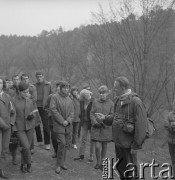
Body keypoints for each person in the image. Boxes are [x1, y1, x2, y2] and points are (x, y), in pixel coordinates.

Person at [97, 77, 147, 180]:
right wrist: (105, 118)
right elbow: (116, 118)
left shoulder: (136, 102)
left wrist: (135, 146)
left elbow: (141, 126)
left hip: (129, 146)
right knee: (121, 170)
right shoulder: (118, 100)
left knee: (131, 172)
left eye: (115, 87)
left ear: (123, 88)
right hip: (118, 143)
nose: (113, 89)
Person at [50, 81, 74, 174]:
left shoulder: (69, 99)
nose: (66, 90)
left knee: (66, 144)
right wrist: (62, 121)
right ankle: (58, 165)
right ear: (60, 88)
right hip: (59, 125)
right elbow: (53, 110)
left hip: (68, 125)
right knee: (62, 143)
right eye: (64, 88)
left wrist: (68, 120)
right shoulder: (54, 97)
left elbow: (72, 111)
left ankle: (63, 163)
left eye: (68, 88)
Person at [12, 82, 36, 173]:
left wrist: (32, 116)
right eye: (25, 92)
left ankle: (23, 164)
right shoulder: (13, 100)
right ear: (19, 91)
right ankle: (29, 164)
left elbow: (34, 111)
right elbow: (11, 115)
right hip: (19, 128)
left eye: (28, 92)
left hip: (30, 126)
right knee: (26, 146)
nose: (27, 94)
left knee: (26, 147)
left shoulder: (29, 100)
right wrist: (13, 128)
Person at [90, 85, 114, 170]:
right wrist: (95, 122)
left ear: (107, 93)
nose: (101, 94)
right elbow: (91, 114)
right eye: (100, 93)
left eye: (103, 93)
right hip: (96, 128)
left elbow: (112, 116)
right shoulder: (95, 102)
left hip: (106, 128)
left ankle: (102, 163)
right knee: (97, 146)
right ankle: (98, 162)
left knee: (104, 146)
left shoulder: (111, 103)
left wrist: (105, 118)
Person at [21, 74, 42, 153]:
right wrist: (28, 96)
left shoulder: (32, 87)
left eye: (27, 78)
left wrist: (27, 99)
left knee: (31, 128)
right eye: (24, 79)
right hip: (22, 109)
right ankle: (24, 146)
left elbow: (34, 99)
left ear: (29, 79)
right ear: (21, 80)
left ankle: (31, 147)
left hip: (32, 108)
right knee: (23, 128)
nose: (25, 80)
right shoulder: (20, 87)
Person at [0, 78, 16, 179]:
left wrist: (10, 123)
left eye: (1, 82)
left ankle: (1, 169)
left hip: (7, 128)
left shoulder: (7, 96)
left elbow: (13, 111)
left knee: (5, 149)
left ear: (3, 84)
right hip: (2, 126)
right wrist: (3, 124)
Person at [74, 89, 95, 162]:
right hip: (84, 122)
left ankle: (91, 156)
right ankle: (81, 155)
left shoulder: (94, 102)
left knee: (92, 139)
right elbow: (81, 110)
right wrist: (80, 116)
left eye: (88, 96)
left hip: (92, 123)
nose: (87, 98)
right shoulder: (82, 101)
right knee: (83, 139)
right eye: (85, 97)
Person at [34, 72, 52, 150]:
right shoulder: (34, 86)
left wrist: (49, 106)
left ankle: (47, 143)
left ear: (43, 76)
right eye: (37, 77)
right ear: (36, 77)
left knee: (46, 125)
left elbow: (52, 95)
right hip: (36, 107)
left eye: (40, 76)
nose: (39, 78)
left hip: (44, 107)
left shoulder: (48, 85)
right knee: (36, 124)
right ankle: (39, 141)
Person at [44, 81, 62, 158]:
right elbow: (45, 107)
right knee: (54, 138)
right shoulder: (50, 96)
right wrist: (50, 113)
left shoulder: (66, 97)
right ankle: (56, 151)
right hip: (52, 121)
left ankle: (61, 153)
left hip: (62, 122)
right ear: (56, 87)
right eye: (59, 87)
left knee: (62, 139)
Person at [164, 100, 175, 177]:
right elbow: (165, 124)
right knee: (173, 159)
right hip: (171, 141)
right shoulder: (169, 115)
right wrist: (171, 126)